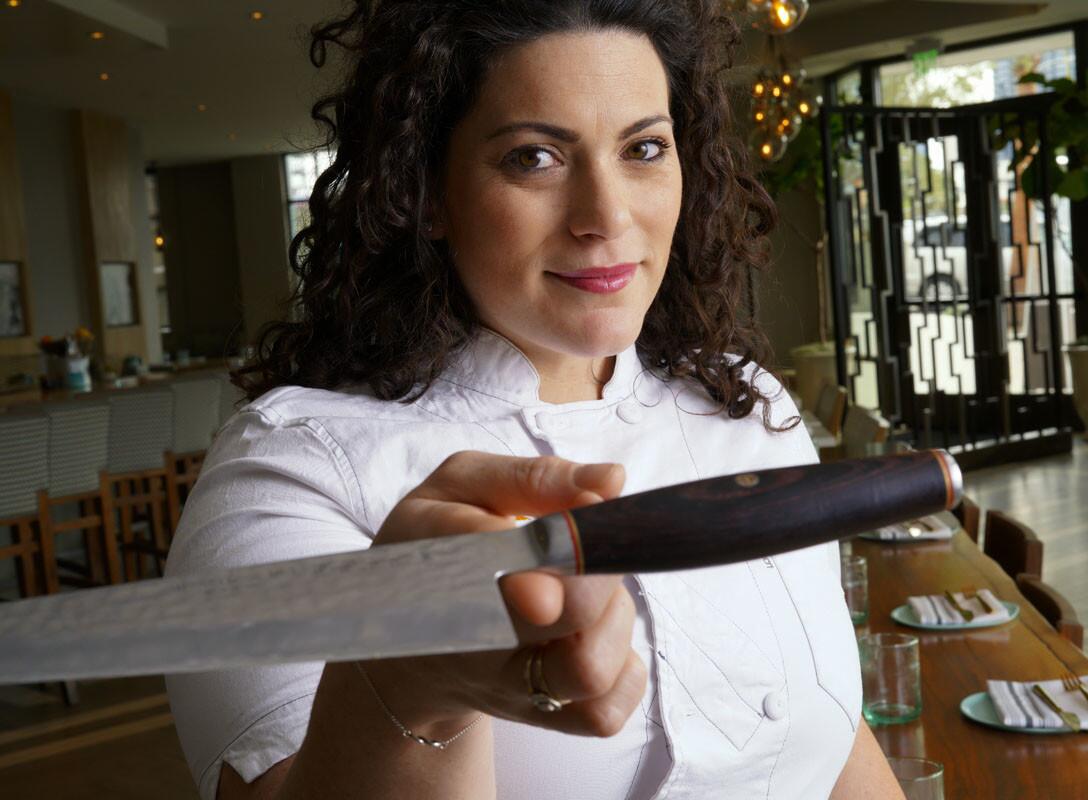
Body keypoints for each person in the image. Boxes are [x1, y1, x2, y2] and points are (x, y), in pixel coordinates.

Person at [165, 1, 904, 797]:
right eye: (533, 158)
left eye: (644, 148)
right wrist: (407, 686)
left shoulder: (745, 407)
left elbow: (831, 734)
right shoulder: (292, 472)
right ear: (429, 192)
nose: (607, 216)